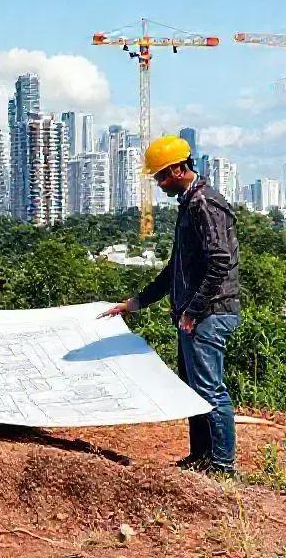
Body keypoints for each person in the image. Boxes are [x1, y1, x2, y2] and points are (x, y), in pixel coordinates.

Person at [100, 134, 241, 475]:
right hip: (195, 314)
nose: (159, 183)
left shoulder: (204, 204)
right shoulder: (191, 204)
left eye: (162, 175)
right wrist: (134, 303)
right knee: (193, 389)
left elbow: (219, 261)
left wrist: (193, 311)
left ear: (179, 169)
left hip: (210, 313)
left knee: (210, 389)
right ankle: (202, 457)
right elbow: (174, 270)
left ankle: (223, 466)